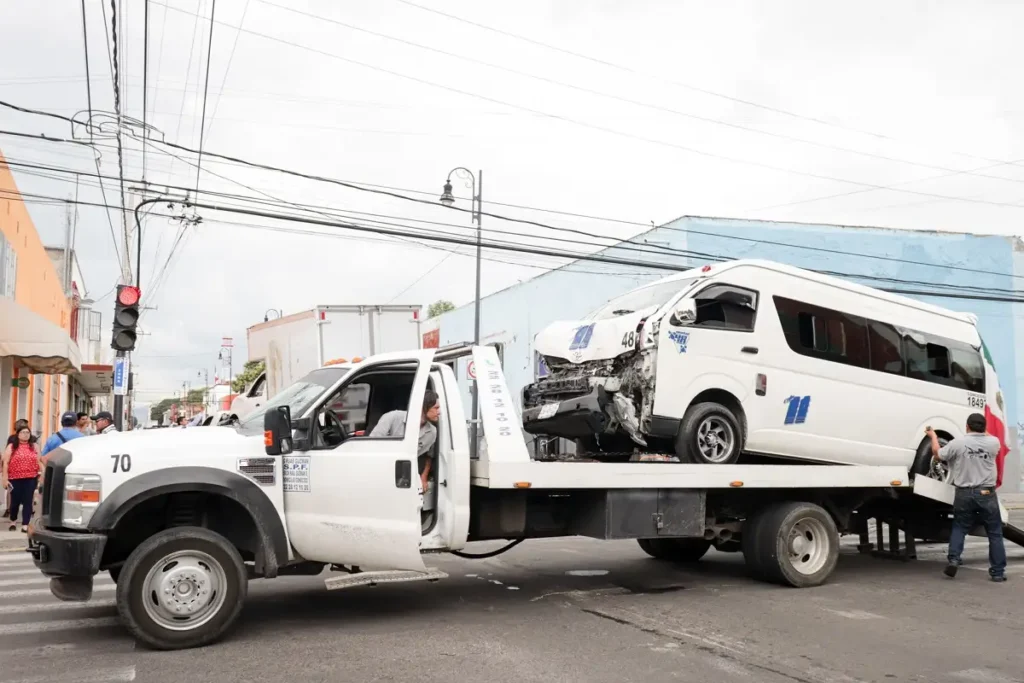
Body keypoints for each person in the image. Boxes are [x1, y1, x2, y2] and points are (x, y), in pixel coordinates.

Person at [927, 414, 1007, 582]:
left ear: (967, 426)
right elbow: (987, 435)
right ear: (984, 427)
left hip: (964, 493)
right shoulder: (993, 443)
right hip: (986, 493)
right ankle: (998, 573)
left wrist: (933, 436)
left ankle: (954, 560)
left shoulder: (957, 443)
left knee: (959, 528)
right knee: (994, 533)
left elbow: (937, 454)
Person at [370, 390, 440, 496]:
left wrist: (423, 477)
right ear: (423, 407)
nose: (439, 412)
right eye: (436, 408)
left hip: (406, 475)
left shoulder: (432, 432)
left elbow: (429, 456)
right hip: (382, 471)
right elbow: (372, 445)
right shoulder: (392, 418)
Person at [2, 425, 42, 532]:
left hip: (30, 478)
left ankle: (25, 524)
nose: (26, 435)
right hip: (14, 478)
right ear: (18, 434)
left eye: (27, 433)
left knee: (28, 501)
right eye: (23, 432)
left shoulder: (34, 446)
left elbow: (39, 461)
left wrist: (43, 473)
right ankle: (13, 521)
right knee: (15, 501)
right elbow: (5, 463)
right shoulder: (12, 446)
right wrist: (4, 478)